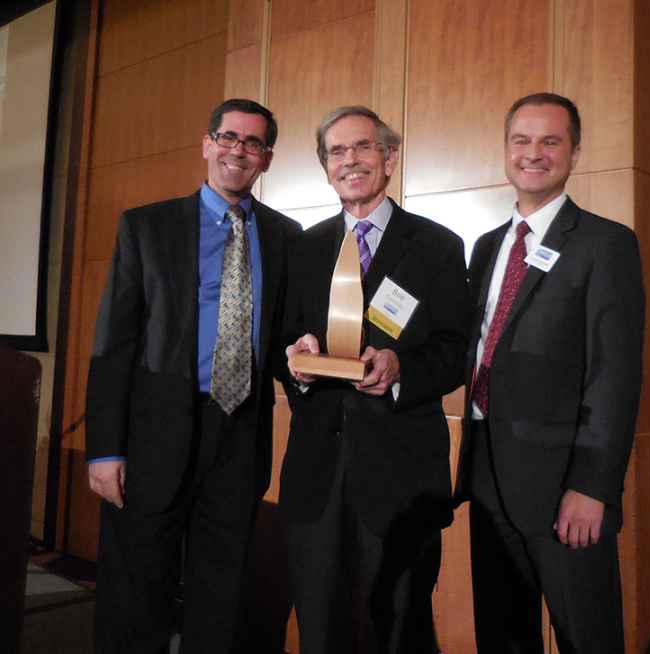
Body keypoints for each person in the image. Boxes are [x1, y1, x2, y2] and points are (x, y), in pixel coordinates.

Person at [85, 98, 301, 653]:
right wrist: (104, 449)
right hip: (153, 436)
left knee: (221, 592)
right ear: (207, 144)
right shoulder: (146, 226)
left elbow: (285, 337)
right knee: (137, 595)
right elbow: (114, 345)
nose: (239, 150)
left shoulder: (286, 236)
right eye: (229, 137)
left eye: (253, 143)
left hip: (239, 433)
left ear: (267, 158)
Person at [456, 92, 645, 653]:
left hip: (565, 487)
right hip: (488, 473)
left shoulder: (605, 244)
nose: (533, 153)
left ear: (574, 152)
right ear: (506, 150)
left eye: (550, 141)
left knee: (586, 637)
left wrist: (592, 486)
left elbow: (615, 374)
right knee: (503, 636)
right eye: (521, 140)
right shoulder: (488, 247)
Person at [281, 106, 468, 653]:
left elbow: (456, 352)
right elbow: (280, 342)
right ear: (325, 167)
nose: (350, 161)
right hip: (317, 473)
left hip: (401, 474)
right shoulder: (305, 247)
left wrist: (401, 369)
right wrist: (297, 361)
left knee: (399, 627)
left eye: (363, 147)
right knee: (321, 625)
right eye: (336, 152)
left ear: (388, 158)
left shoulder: (437, 245)